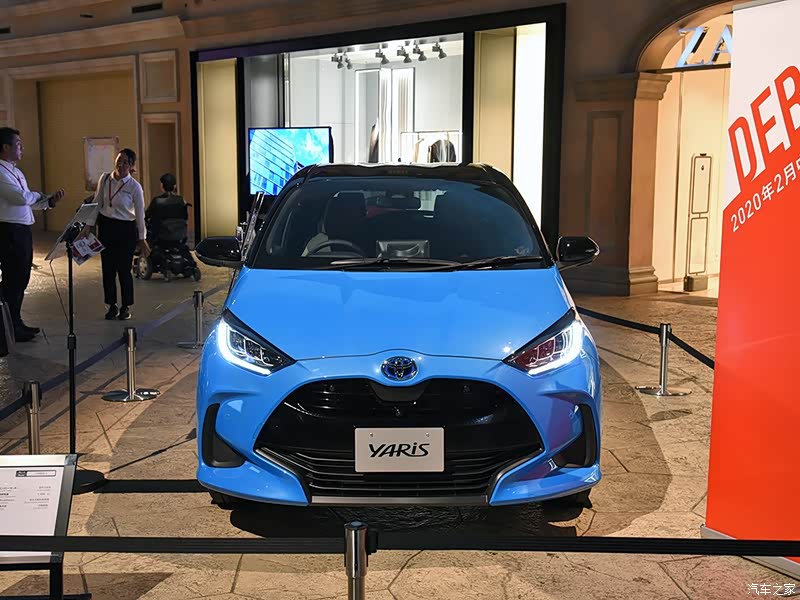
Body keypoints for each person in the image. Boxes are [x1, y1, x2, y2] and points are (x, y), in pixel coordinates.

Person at [0, 127, 64, 342]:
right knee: (13, 279)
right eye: (18, 144)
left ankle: (15, 322)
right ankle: (7, 327)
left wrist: (48, 201)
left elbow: (27, 201)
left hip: (22, 230)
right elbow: (20, 197)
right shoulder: (0, 172)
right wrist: (38, 195)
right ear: (5, 147)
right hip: (9, 231)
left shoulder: (16, 172)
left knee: (22, 279)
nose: (22, 148)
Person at [84, 149, 150, 321]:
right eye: (119, 160)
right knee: (108, 269)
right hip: (106, 227)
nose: (121, 165)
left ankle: (126, 306)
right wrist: (88, 226)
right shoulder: (105, 179)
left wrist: (142, 238)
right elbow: (97, 202)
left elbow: (140, 214)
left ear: (132, 165)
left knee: (124, 270)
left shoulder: (134, 187)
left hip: (125, 229)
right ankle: (111, 305)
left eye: (126, 162)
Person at [145, 172, 188, 243]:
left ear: (162, 185)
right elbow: (185, 217)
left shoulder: (157, 201)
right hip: (179, 236)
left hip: (161, 237)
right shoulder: (181, 200)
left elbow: (146, 216)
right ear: (174, 186)